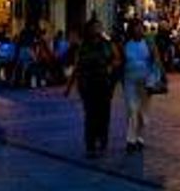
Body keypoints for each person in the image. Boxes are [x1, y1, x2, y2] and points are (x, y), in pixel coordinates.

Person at [65, 18, 116, 158]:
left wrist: (110, 68)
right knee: (91, 114)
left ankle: (103, 140)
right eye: (96, 27)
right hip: (88, 84)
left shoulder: (107, 44)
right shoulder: (83, 46)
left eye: (100, 26)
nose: (98, 29)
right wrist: (69, 87)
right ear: (89, 29)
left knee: (104, 114)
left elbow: (115, 59)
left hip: (104, 83)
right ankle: (91, 144)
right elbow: (77, 66)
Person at [118, 21, 161, 153]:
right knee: (132, 109)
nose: (138, 31)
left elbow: (156, 62)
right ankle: (131, 140)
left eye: (140, 28)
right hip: (130, 81)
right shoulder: (125, 44)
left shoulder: (148, 43)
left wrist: (154, 79)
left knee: (142, 112)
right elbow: (120, 62)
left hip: (146, 81)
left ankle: (139, 137)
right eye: (135, 28)